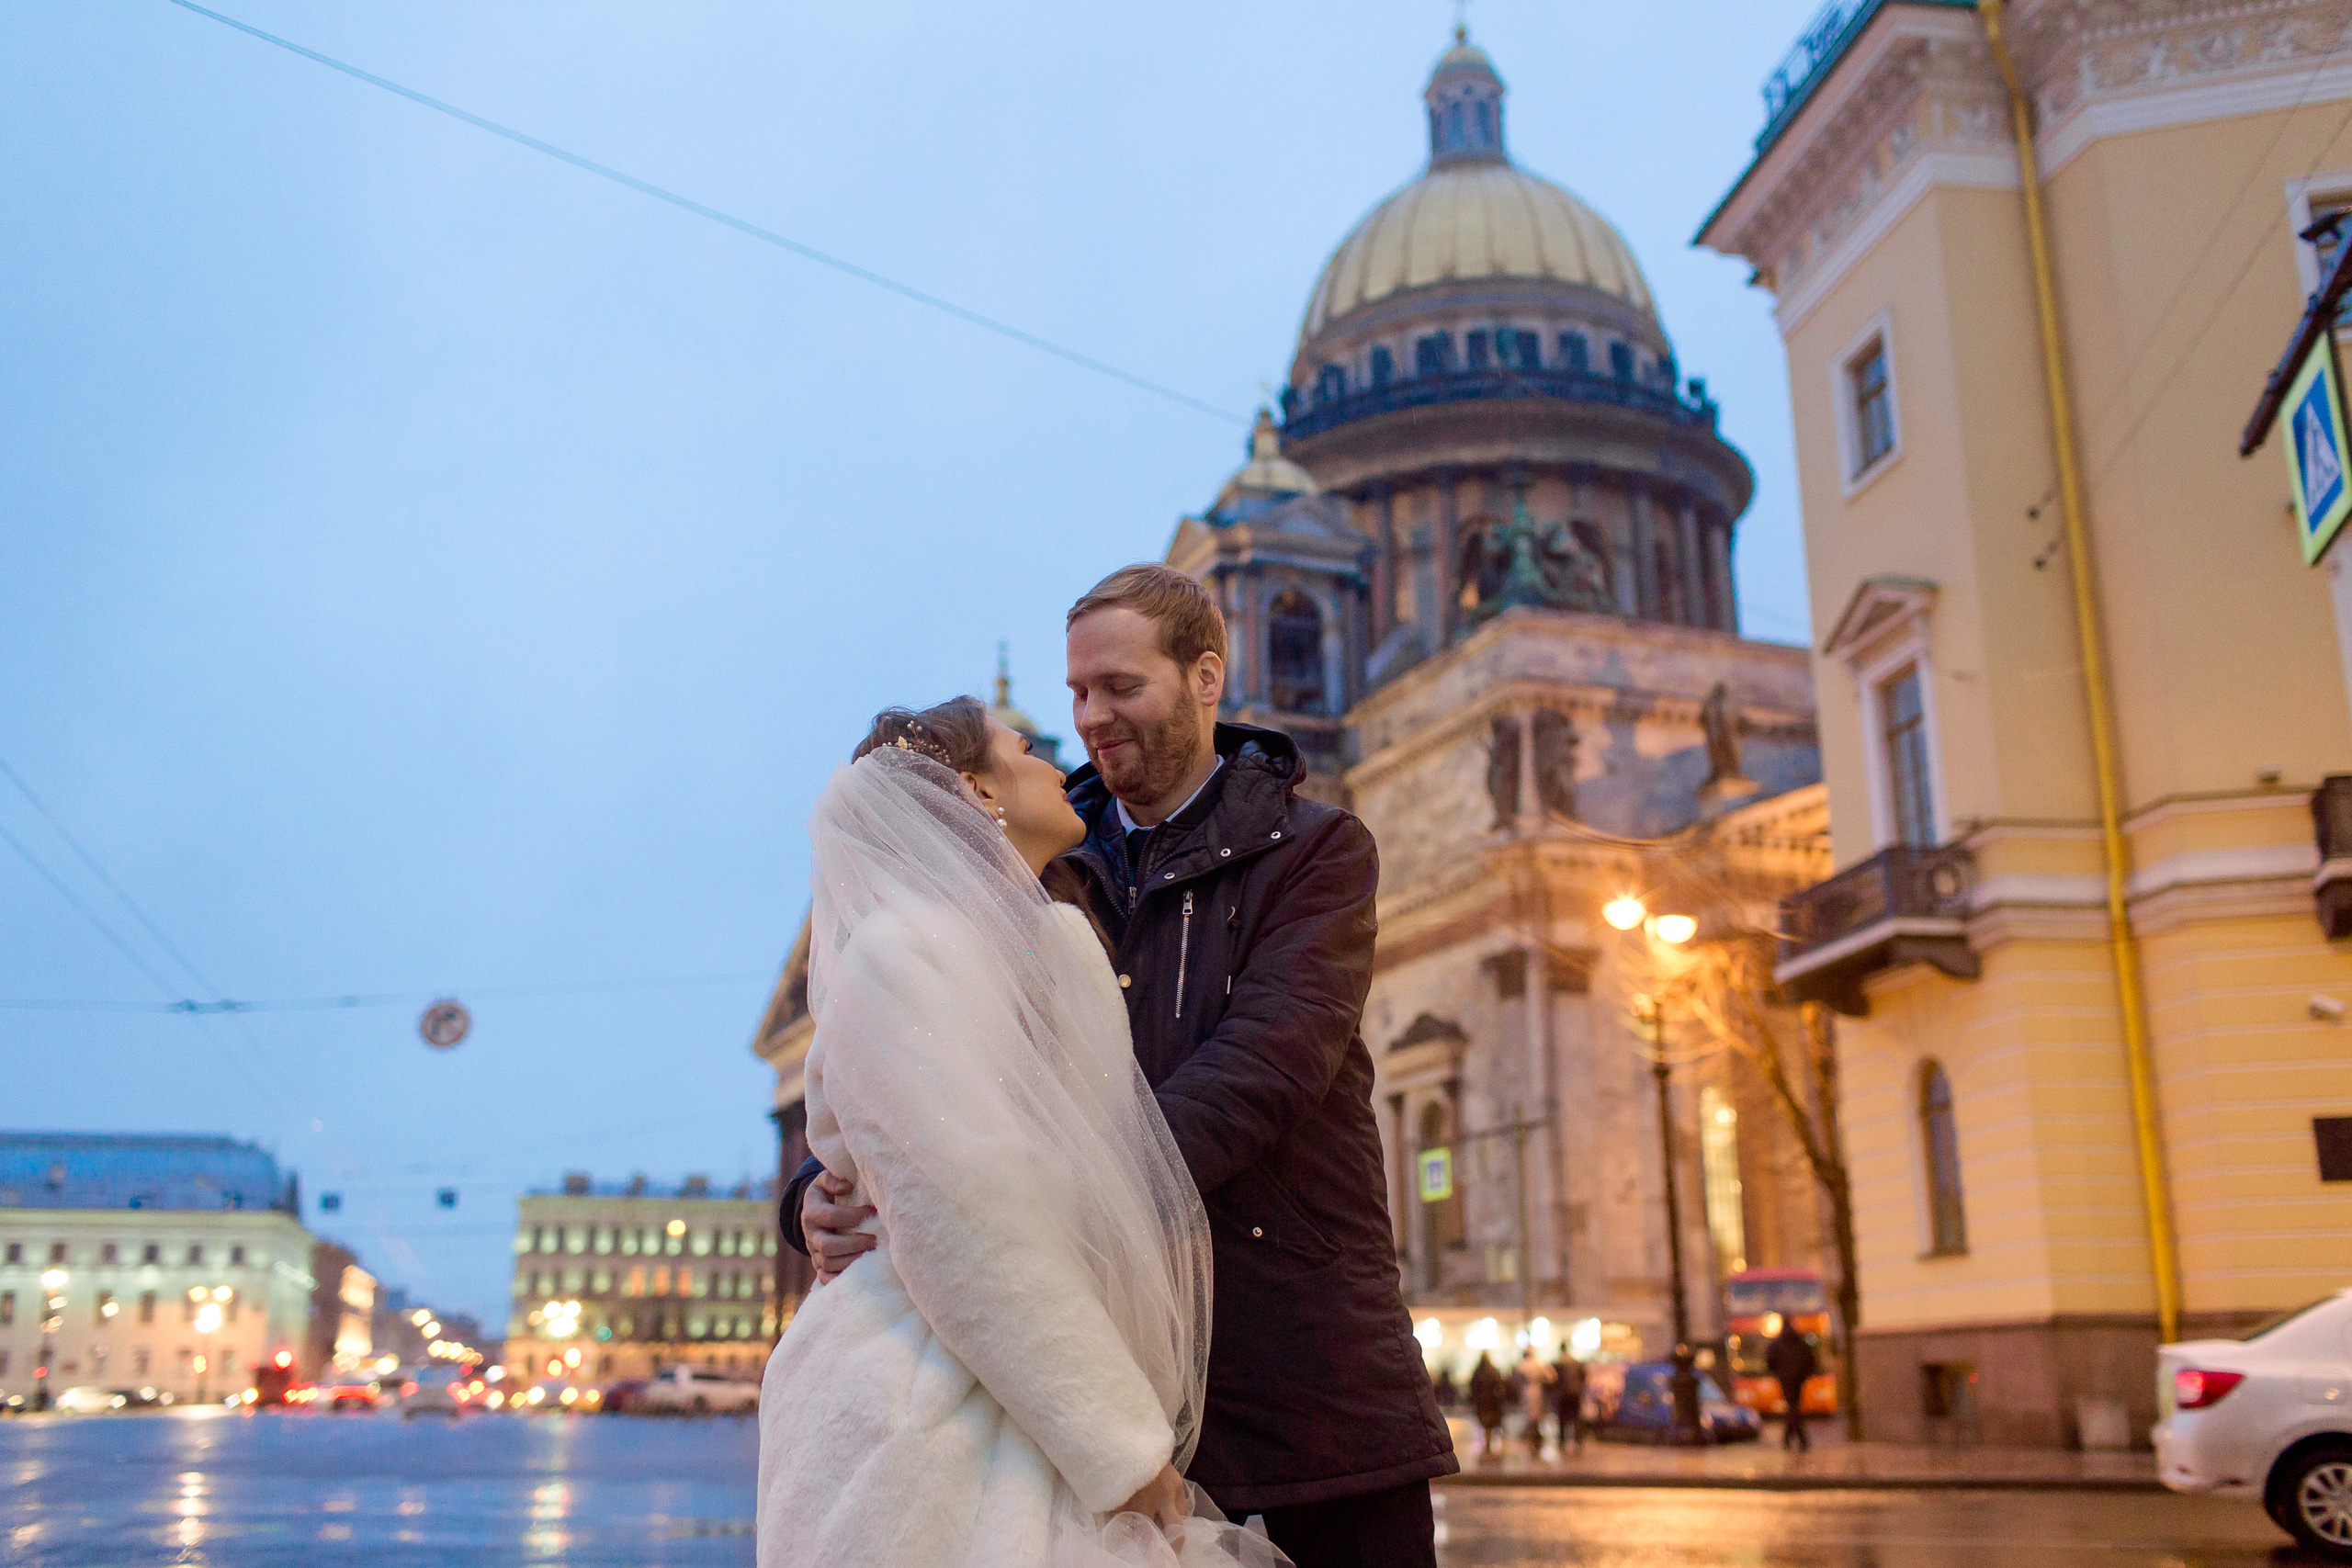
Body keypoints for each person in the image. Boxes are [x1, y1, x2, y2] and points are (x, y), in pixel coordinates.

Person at [780, 566, 1456, 1567]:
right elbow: (923, 1079)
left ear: (1205, 678)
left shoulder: (1316, 852)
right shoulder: (1025, 865)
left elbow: (1266, 1067)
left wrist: (1016, 1203)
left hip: (1299, 1364)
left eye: (1121, 686)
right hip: (1107, 1369)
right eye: (1077, 692)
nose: (1091, 717)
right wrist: (820, 1192)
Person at [756, 697, 1279, 1567]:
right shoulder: (896, 954)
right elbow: (964, 1216)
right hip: (928, 1409)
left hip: (1049, 1391)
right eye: (1029, 747)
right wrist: (1119, 1443)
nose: (1058, 763)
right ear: (978, 790)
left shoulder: (1062, 950)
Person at [1766, 1319, 1819, 1453]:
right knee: (1794, 1406)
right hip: (1798, 1380)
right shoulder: (1800, 1342)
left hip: (1785, 1380)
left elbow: (1770, 1361)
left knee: (1792, 1407)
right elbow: (1810, 1360)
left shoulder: (1777, 1344)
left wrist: (1778, 1374)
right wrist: (1804, 1375)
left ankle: (1798, 1439)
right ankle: (1790, 1438)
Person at [1467, 1353, 1507, 1460]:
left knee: (1486, 1422)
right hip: (1490, 1401)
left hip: (1482, 1402)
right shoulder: (1493, 1371)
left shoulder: (1478, 1371)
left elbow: (1472, 1386)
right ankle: (1488, 1441)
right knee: (1489, 1422)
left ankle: (1487, 1441)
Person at [1515, 1348, 1554, 1456]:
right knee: (1536, 1416)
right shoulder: (1539, 1364)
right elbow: (1551, 1377)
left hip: (1527, 1391)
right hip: (1537, 1391)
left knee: (1530, 1416)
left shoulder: (1522, 1365)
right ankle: (1535, 1437)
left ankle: (1532, 1437)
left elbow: (1514, 1378)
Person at [1549, 1352, 1587, 1456]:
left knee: (1562, 1419)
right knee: (1576, 1419)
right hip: (1575, 1394)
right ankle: (1578, 1441)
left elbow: (1553, 1380)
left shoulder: (1559, 1364)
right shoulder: (1576, 1363)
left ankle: (1562, 1441)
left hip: (1563, 1395)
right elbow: (1583, 1378)